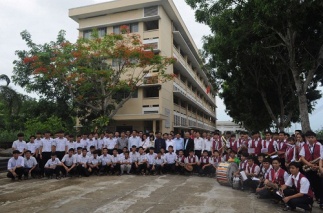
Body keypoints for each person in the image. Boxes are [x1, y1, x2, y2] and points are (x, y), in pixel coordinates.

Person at [299, 130, 322, 207]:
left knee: (319, 184)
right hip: (308, 167)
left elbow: (321, 157)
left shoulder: (320, 145)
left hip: (318, 167)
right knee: (309, 184)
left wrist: (318, 166)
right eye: (309, 137)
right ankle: (310, 199)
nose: (311, 139)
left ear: (315, 138)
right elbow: (302, 158)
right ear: (306, 138)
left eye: (312, 137)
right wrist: (310, 164)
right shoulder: (304, 146)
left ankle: (320, 200)